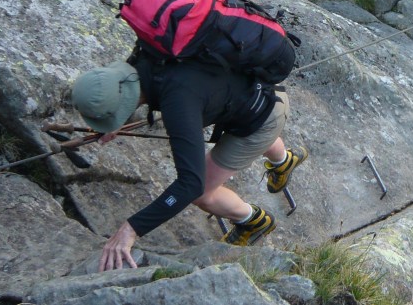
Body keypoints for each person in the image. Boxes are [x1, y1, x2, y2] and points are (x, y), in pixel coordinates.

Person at [71, 52, 308, 271]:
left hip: (258, 116)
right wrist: (117, 119)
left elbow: (190, 184)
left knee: (203, 192)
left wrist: (131, 229)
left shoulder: (179, 103)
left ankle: (254, 222)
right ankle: (284, 161)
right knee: (255, 117)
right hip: (260, 88)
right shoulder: (147, 53)